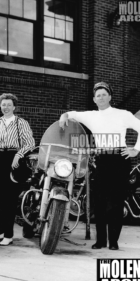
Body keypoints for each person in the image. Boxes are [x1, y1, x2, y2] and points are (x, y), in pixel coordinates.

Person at [59, 81, 140, 250]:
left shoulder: (122, 114)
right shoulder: (91, 115)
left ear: (110, 97)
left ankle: (113, 242)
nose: (101, 97)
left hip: (119, 159)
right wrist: (64, 116)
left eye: (104, 94)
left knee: (116, 202)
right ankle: (101, 241)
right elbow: (71, 113)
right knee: (100, 203)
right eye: (98, 95)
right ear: (94, 100)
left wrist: (136, 150)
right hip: (101, 160)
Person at [0, 93, 35, 246]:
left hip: (14, 160)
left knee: (9, 199)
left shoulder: (21, 123)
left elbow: (30, 143)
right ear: (0, 106)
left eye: (8, 104)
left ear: (14, 107)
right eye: (3, 104)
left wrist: (18, 155)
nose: (5, 107)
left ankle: (8, 235)